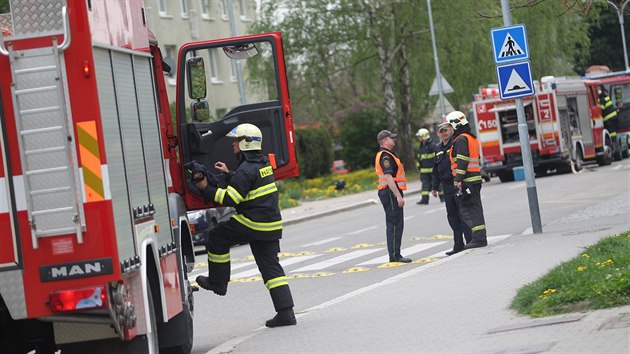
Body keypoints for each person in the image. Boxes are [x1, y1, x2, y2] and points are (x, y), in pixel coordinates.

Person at [192, 123, 296, 328]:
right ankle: (286, 313)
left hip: (253, 222)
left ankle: (218, 282)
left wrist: (205, 188)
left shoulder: (246, 170)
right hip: (270, 225)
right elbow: (249, 182)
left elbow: (231, 198)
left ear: (246, 144)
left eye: (237, 141)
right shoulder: (262, 164)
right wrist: (230, 174)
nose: (233, 145)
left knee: (217, 236)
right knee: (271, 269)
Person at [445, 111, 488, 250]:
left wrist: (458, 179)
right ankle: (479, 238)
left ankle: (478, 239)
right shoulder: (471, 138)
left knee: (468, 209)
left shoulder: (462, 139)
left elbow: (463, 160)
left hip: (467, 180)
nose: (449, 130)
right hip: (473, 178)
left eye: (450, 126)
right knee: (475, 208)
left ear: (456, 124)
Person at [431, 121, 472, 255]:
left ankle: (470, 241)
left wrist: (460, 180)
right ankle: (458, 245)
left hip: (456, 183)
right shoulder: (437, 149)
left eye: (446, 130)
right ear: (438, 134)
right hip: (446, 186)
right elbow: (435, 169)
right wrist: (434, 187)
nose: (443, 133)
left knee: (463, 214)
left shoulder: (455, 144)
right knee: (452, 216)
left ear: (451, 131)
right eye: (441, 131)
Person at [375, 130, 412, 263]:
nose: (394, 140)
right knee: (395, 224)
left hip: (388, 191)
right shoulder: (386, 156)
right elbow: (388, 177)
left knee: (393, 223)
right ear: (385, 140)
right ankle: (395, 255)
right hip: (390, 192)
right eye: (392, 138)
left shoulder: (387, 154)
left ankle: (394, 254)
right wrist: (398, 196)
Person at [415, 128, 439, 205]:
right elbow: (420, 157)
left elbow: (436, 156)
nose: (419, 138)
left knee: (438, 184)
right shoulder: (422, 146)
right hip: (424, 171)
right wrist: (419, 166)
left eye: (420, 136)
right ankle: (424, 200)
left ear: (424, 136)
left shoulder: (432, 145)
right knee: (425, 186)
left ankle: (443, 197)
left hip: (432, 170)